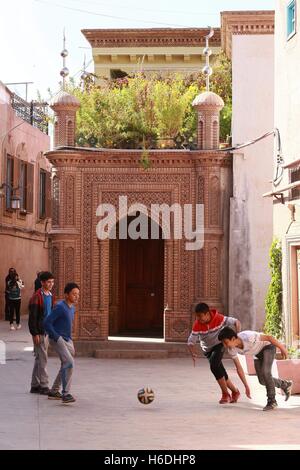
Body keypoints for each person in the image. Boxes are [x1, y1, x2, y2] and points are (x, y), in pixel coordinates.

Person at [218, 326, 293, 411]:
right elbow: (239, 368)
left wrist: (282, 348)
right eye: (223, 343)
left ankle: (272, 401)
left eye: (225, 342)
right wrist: (246, 386)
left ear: (233, 338)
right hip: (257, 354)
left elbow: (269, 337)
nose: (224, 345)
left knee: (266, 372)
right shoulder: (232, 350)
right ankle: (285, 385)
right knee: (262, 380)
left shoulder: (248, 337)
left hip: (267, 347)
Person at [187, 302, 241, 404]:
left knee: (214, 365)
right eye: (197, 316)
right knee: (220, 371)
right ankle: (235, 391)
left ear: (207, 314)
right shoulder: (197, 324)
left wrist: (237, 336)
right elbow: (190, 342)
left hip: (219, 345)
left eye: (200, 316)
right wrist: (193, 353)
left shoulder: (219, 318)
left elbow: (236, 322)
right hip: (207, 350)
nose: (198, 319)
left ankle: (225, 394)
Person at [44, 282, 80, 404]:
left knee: (65, 364)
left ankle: (54, 391)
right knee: (69, 362)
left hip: (67, 339)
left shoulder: (72, 308)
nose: (76, 296)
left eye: (78, 294)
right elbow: (47, 323)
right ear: (66, 294)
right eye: (74, 294)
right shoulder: (60, 307)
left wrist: (69, 339)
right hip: (57, 339)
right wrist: (56, 336)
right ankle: (66, 394)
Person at [28, 271, 55, 395]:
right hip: (40, 332)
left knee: (39, 358)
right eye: (48, 282)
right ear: (42, 282)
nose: (51, 284)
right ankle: (44, 385)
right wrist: (35, 333)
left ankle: (34, 385)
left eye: (52, 282)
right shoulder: (37, 296)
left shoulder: (50, 295)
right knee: (43, 359)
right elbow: (32, 317)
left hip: (47, 331)